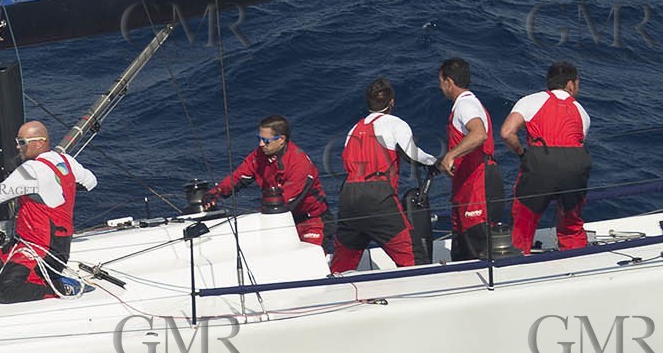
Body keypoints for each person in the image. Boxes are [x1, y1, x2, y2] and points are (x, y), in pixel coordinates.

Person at [0, 120, 97, 303]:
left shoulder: (30, 170)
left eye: (22, 142)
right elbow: (91, 182)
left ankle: (63, 287)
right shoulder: (66, 161)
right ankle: (44, 278)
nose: (17, 146)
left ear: (40, 142)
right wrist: (60, 186)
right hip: (29, 242)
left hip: (45, 249)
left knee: (5, 292)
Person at [331, 78, 438, 274]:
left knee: (342, 264)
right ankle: (422, 295)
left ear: (368, 103)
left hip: (348, 195)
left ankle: (333, 295)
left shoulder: (354, 129)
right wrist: (434, 162)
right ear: (391, 103)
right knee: (413, 256)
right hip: (377, 195)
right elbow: (413, 154)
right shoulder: (394, 123)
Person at [501, 61, 592, 254]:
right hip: (576, 163)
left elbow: (507, 132)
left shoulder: (530, 101)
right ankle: (578, 262)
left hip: (540, 162)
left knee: (523, 222)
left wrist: (522, 154)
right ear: (570, 84)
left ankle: (517, 264)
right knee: (571, 224)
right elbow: (577, 141)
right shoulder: (582, 112)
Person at [204, 115, 328, 247]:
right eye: (259, 139)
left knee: (308, 258)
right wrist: (216, 192)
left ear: (281, 139)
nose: (261, 144)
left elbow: (285, 202)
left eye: (265, 140)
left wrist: (259, 218)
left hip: (310, 222)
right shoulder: (260, 155)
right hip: (279, 220)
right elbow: (239, 176)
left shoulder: (299, 164)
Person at [437, 58, 504, 261]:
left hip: (477, 183)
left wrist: (450, 155)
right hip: (466, 184)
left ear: (449, 81)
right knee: (462, 244)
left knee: (477, 245)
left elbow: (479, 134)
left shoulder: (465, 104)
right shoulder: (464, 105)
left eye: (440, 82)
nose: (440, 87)